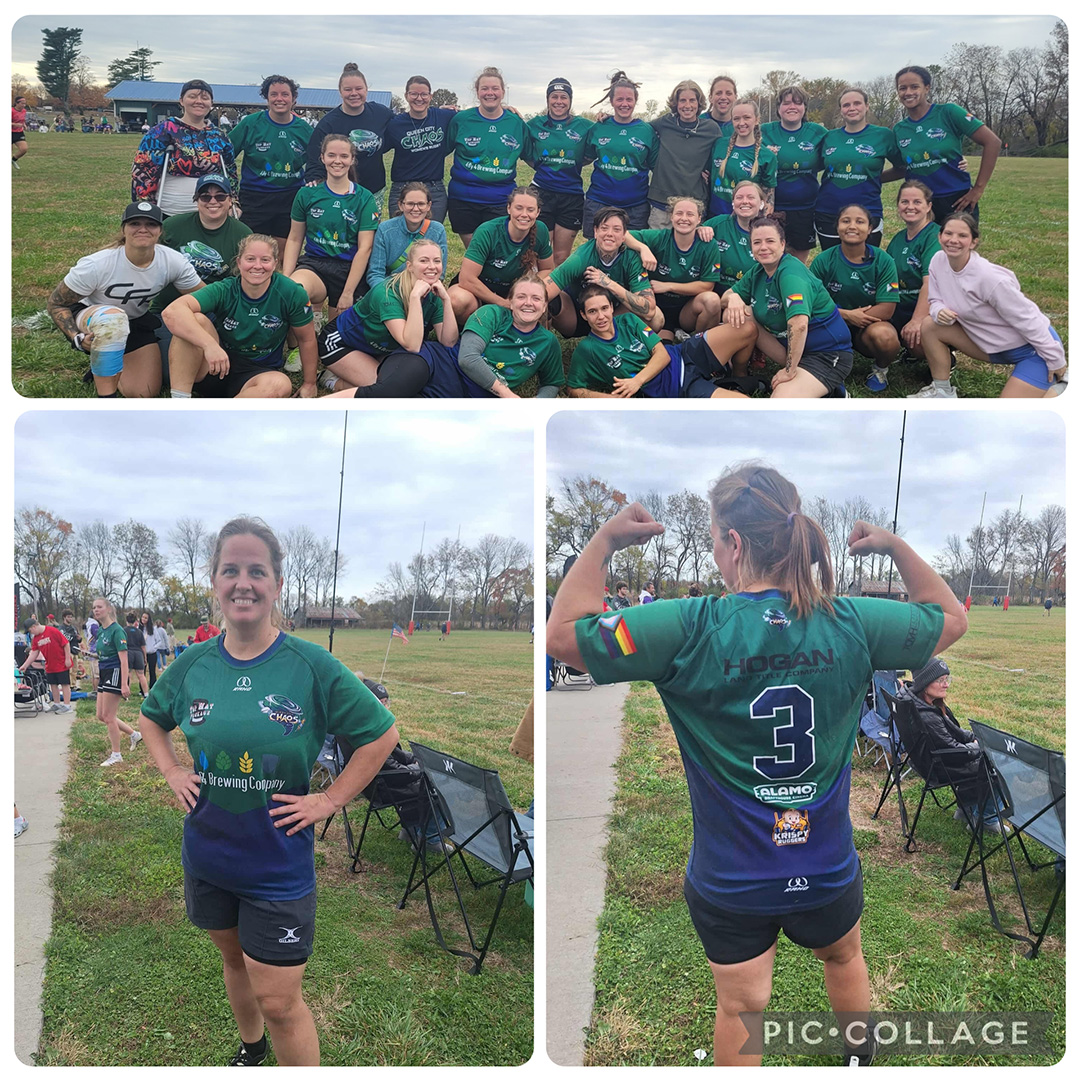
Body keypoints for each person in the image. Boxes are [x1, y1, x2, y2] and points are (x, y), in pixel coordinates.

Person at [546, 463, 968, 1067]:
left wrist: (605, 540)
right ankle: (859, 1061)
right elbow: (951, 619)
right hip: (825, 865)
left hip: (731, 878)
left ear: (734, 543)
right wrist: (897, 547)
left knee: (743, 1009)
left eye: (717, 538)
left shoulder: (687, 627)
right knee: (845, 958)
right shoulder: (850, 621)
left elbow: (564, 636)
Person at [138, 517, 399, 1066]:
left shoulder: (311, 666)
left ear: (277, 584)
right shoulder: (192, 664)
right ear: (215, 582)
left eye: (256, 571)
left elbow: (381, 735)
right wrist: (171, 772)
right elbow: (151, 718)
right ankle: (251, 1050)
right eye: (230, 570)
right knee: (234, 963)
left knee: (280, 1001)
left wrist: (329, 800)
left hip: (276, 867)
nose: (243, 583)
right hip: (208, 856)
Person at [46, 201, 203, 398]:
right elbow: (57, 303)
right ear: (124, 229)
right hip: (92, 316)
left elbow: (202, 297)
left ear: (160, 231)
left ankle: (106, 361)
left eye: (151, 224)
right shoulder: (97, 264)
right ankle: (107, 397)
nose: (142, 229)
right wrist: (76, 337)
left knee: (143, 393)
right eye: (135, 223)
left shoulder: (173, 261)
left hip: (135, 320)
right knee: (113, 320)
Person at [910, 213, 1067, 399]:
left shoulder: (989, 278)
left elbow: (1028, 318)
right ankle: (942, 392)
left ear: (973, 242)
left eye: (962, 236)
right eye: (948, 233)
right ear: (940, 236)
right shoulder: (937, 260)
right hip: (988, 344)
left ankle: (1064, 386)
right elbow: (934, 300)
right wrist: (938, 311)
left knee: (1008, 414)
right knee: (930, 325)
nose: (953, 240)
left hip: (1031, 350)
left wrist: (1055, 359)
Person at [356, 271, 563, 399]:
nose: (528, 303)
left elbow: (552, 382)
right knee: (385, 394)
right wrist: (506, 393)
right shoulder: (491, 314)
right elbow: (468, 358)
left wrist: (537, 404)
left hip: (461, 396)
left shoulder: (547, 342)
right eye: (521, 297)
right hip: (436, 364)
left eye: (536, 298)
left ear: (545, 306)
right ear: (510, 301)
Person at [165, 234, 318, 398]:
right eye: (250, 259)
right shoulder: (225, 289)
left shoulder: (292, 292)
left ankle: (224, 417)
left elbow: (306, 339)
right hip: (216, 363)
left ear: (275, 264)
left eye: (265, 260)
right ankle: (180, 402)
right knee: (194, 320)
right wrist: (210, 345)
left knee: (280, 384)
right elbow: (172, 312)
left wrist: (310, 383)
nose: (257, 266)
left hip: (256, 372)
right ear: (239, 262)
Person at [723, 215, 853, 398]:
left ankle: (833, 392)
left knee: (779, 401)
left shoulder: (790, 273)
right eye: (757, 242)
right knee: (737, 314)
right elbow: (725, 297)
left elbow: (799, 324)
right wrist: (734, 297)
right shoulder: (759, 270)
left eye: (770, 241)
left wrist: (789, 371)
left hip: (827, 354)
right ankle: (739, 374)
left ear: (782, 244)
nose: (763, 247)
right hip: (794, 348)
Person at [318, 237, 456, 394]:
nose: (432, 267)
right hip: (341, 343)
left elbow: (449, 342)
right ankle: (332, 380)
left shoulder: (434, 293)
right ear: (409, 266)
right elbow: (412, 345)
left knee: (411, 383)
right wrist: (415, 297)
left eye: (437, 261)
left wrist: (446, 300)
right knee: (384, 388)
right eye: (424, 261)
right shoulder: (387, 293)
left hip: (380, 348)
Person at [150, 173, 253, 384]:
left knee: (214, 370)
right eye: (205, 197)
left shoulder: (242, 233)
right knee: (169, 373)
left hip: (216, 314)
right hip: (169, 310)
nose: (213, 202)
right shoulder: (172, 226)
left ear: (230, 200)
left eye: (220, 196)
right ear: (196, 200)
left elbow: (245, 282)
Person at [565, 284, 750, 400]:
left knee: (748, 328)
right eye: (592, 311)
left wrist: (636, 381)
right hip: (676, 387)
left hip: (683, 354)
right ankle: (717, 382)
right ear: (583, 315)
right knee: (745, 405)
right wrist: (609, 399)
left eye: (604, 308)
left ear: (612, 307)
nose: (601, 316)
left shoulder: (628, 320)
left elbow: (662, 354)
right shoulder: (587, 349)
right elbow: (573, 389)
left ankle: (738, 375)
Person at [895, 659, 1001, 831]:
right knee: (995, 768)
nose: (946, 685)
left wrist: (976, 738)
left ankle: (964, 809)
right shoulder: (927, 715)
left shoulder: (923, 703)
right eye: (940, 680)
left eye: (947, 679)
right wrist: (978, 748)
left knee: (982, 758)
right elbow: (953, 751)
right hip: (939, 768)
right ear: (924, 683)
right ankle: (985, 821)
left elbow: (953, 730)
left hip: (928, 761)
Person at [285, 134, 380, 321]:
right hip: (315, 264)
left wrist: (348, 292)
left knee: (336, 333)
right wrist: (286, 278)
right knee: (294, 293)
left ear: (352, 159)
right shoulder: (306, 194)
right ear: (322, 158)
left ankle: (323, 320)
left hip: (349, 269)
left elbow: (365, 248)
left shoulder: (365, 197)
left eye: (344, 156)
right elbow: (295, 238)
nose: (337, 161)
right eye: (331, 155)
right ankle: (312, 322)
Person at [894, 65, 1001, 224]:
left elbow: (993, 142)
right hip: (919, 203)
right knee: (925, 248)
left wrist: (978, 189)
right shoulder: (899, 129)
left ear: (927, 88)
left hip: (956, 200)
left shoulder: (949, 112)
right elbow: (903, 168)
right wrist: (870, 177)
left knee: (956, 247)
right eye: (902, 88)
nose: (908, 92)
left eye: (914, 87)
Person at [808, 203, 900, 380]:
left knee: (886, 337)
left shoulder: (884, 261)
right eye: (845, 221)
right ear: (837, 227)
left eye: (860, 221)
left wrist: (857, 319)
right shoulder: (823, 260)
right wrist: (847, 315)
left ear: (870, 228)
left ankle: (880, 370)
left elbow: (887, 308)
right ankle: (822, 367)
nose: (852, 226)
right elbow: (811, 302)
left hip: (868, 325)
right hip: (832, 323)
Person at [445, 67, 529, 249]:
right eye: (484, 89)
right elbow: (441, 148)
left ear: (503, 92)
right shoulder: (461, 119)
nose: (489, 93)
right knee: (475, 251)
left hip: (499, 200)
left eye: (494, 89)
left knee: (495, 251)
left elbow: (532, 156)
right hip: (463, 199)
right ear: (477, 92)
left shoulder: (516, 123)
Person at [229, 75, 312, 258]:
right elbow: (226, 157)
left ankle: (278, 284)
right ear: (267, 98)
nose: (279, 98)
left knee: (282, 252)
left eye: (285, 94)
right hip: (254, 197)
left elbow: (317, 163)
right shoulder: (250, 124)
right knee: (252, 250)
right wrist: (230, 194)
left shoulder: (305, 130)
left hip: (291, 197)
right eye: (273, 94)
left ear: (293, 98)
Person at [448, 185, 554, 324]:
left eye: (530, 210)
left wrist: (525, 289)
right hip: (478, 289)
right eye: (519, 208)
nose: (524, 214)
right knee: (456, 300)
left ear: (538, 212)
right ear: (509, 208)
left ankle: (531, 336)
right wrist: (503, 303)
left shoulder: (541, 230)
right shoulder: (487, 231)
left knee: (548, 294)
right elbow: (466, 279)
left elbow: (547, 269)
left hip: (512, 291)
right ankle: (466, 333)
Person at [132, 80, 238, 217]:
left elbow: (230, 172)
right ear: (181, 100)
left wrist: (233, 202)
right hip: (169, 212)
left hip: (211, 213)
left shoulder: (219, 136)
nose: (199, 101)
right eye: (192, 96)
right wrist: (145, 207)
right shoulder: (162, 131)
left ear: (211, 103)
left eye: (205, 98)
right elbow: (144, 170)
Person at [872, 180, 941, 392]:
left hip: (926, 310)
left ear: (928, 206)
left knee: (918, 340)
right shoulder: (899, 238)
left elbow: (930, 282)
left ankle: (943, 355)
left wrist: (917, 320)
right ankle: (890, 360)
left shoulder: (934, 236)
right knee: (878, 333)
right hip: (899, 308)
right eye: (905, 201)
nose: (910, 206)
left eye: (917, 202)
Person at [545, 206, 655, 338]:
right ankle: (539, 343)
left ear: (624, 235)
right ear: (595, 232)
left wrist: (608, 283)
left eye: (616, 229)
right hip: (576, 317)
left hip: (612, 318)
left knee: (656, 318)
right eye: (604, 228)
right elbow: (545, 289)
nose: (609, 233)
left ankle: (623, 346)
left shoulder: (632, 258)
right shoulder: (581, 257)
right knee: (545, 299)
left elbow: (649, 310)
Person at [624, 197, 725, 338]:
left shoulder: (708, 245)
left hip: (687, 311)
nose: (684, 218)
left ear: (699, 219)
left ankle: (699, 344)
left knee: (712, 300)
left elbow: (707, 286)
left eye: (690, 214)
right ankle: (667, 335)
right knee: (666, 352)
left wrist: (668, 286)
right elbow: (623, 234)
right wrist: (643, 248)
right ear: (671, 217)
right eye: (679, 213)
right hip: (658, 308)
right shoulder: (661, 237)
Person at [815, 87, 903, 250]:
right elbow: (811, 163)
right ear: (841, 110)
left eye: (857, 103)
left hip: (867, 210)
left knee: (865, 265)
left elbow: (903, 167)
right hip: (828, 211)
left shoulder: (883, 135)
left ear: (867, 106)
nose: (852, 108)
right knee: (832, 265)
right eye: (846, 105)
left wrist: (875, 177)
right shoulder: (829, 137)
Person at [526, 78, 595, 264]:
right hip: (542, 193)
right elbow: (525, 152)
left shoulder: (585, 126)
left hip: (571, 196)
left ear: (570, 100)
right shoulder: (534, 124)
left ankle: (557, 292)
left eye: (563, 97)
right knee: (538, 254)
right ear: (547, 99)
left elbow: (592, 152)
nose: (559, 101)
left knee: (561, 256)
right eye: (554, 96)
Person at [582, 72, 659, 238]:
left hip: (635, 206)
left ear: (635, 101)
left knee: (631, 255)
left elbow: (656, 166)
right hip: (599, 202)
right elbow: (584, 158)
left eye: (629, 99)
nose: (625, 104)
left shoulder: (646, 131)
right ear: (612, 101)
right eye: (620, 99)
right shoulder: (599, 127)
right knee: (595, 252)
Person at [305, 64, 393, 207]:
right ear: (340, 92)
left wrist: (439, 114)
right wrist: (315, 182)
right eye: (348, 89)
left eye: (359, 89)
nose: (354, 93)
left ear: (366, 89)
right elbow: (314, 159)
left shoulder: (380, 113)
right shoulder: (328, 124)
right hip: (340, 192)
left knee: (370, 230)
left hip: (373, 191)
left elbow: (403, 125)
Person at [761, 86, 828, 263]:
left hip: (804, 208)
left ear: (805, 107)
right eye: (786, 102)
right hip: (772, 207)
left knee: (797, 261)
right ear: (778, 108)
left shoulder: (817, 132)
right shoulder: (764, 131)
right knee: (770, 255)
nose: (792, 107)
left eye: (798, 103)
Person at [645, 81, 720, 228]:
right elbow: (637, 129)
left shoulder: (711, 129)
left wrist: (711, 172)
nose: (687, 105)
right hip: (662, 203)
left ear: (699, 103)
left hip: (694, 203)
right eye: (682, 100)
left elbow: (722, 154)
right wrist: (610, 118)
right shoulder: (664, 123)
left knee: (690, 249)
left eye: (692, 100)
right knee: (659, 248)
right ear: (675, 103)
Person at [384, 75, 456, 223]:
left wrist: (502, 107)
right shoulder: (395, 124)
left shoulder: (443, 116)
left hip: (434, 189)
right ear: (406, 95)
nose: (419, 98)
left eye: (424, 94)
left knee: (430, 239)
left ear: (431, 96)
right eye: (414, 94)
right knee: (401, 238)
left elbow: (476, 115)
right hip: (402, 188)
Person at [366, 182, 448, 289]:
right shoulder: (385, 230)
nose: (415, 209)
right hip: (390, 289)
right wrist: (386, 295)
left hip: (424, 289)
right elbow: (376, 273)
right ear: (401, 205)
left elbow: (439, 274)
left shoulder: (437, 230)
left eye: (421, 204)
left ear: (429, 206)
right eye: (410, 204)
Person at [91, 597, 142, 768]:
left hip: (115, 672)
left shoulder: (117, 631)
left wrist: (124, 683)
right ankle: (134, 734)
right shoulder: (100, 631)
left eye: (99, 607)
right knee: (101, 715)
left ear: (108, 609)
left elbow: (124, 660)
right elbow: (102, 652)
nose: (96, 610)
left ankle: (116, 755)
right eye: (94, 608)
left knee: (109, 716)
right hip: (104, 671)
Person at [707, 99, 776, 218]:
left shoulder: (767, 156)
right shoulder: (719, 145)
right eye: (736, 118)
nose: (741, 123)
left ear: (757, 120)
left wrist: (763, 224)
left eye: (747, 117)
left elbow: (768, 198)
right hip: (715, 217)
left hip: (746, 221)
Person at [699, 180, 766, 293]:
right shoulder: (719, 223)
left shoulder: (769, 231)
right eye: (739, 197)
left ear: (762, 203)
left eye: (751, 197)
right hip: (713, 292)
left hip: (749, 295)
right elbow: (687, 236)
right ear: (733, 203)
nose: (745, 201)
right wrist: (699, 229)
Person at [18, 616, 72, 713]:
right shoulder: (36, 639)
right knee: (53, 684)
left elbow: (66, 644)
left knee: (64, 683)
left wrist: (67, 658)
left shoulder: (52, 631)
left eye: (30, 631)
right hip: (50, 664)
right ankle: (57, 703)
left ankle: (67, 706)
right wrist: (25, 665)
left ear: (34, 626)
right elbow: (34, 652)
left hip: (61, 662)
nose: (31, 633)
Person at [124, 612, 150, 699]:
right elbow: (143, 647)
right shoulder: (139, 632)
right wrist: (145, 657)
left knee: (128, 674)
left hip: (128, 653)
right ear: (135, 621)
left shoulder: (123, 630)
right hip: (138, 654)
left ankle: (126, 696)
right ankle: (146, 694)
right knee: (141, 675)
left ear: (126, 620)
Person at [12, 94, 28, 168]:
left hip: (18, 132)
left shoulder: (24, 111)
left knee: (24, 149)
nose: (24, 105)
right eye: (22, 103)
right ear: (17, 103)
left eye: (25, 103)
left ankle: (13, 160)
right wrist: (14, 124)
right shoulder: (11, 111)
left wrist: (24, 124)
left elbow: (22, 120)